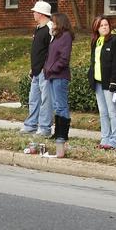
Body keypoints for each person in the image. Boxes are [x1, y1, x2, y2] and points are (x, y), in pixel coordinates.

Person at [90, 16, 116, 150]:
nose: (104, 27)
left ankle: (114, 140)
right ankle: (105, 138)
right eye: (101, 25)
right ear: (96, 28)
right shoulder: (96, 42)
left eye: (106, 25)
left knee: (112, 112)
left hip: (110, 83)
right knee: (103, 112)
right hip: (98, 82)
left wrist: (115, 81)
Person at [21, 1, 53, 137]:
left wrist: (45, 67)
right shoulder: (39, 28)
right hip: (35, 71)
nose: (33, 14)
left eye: (35, 12)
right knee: (33, 99)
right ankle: (31, 125)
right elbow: (38, 51)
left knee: (46, 100)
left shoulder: (50, 29)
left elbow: (52, 51)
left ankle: (45, 128)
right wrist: (32, 68)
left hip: (45, 71)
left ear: (41, 14)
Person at [44, 13, 74, 157]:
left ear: (60, 22)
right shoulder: (55, 37)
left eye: (53, 22)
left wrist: (52, 69)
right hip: (51, 75)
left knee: (61, 105)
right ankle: (57, 133)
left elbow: (64, 58)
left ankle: (62, 134)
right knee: (56, 106)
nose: (52, 24)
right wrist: (47, 69)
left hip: (60, 76)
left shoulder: (66, 36)